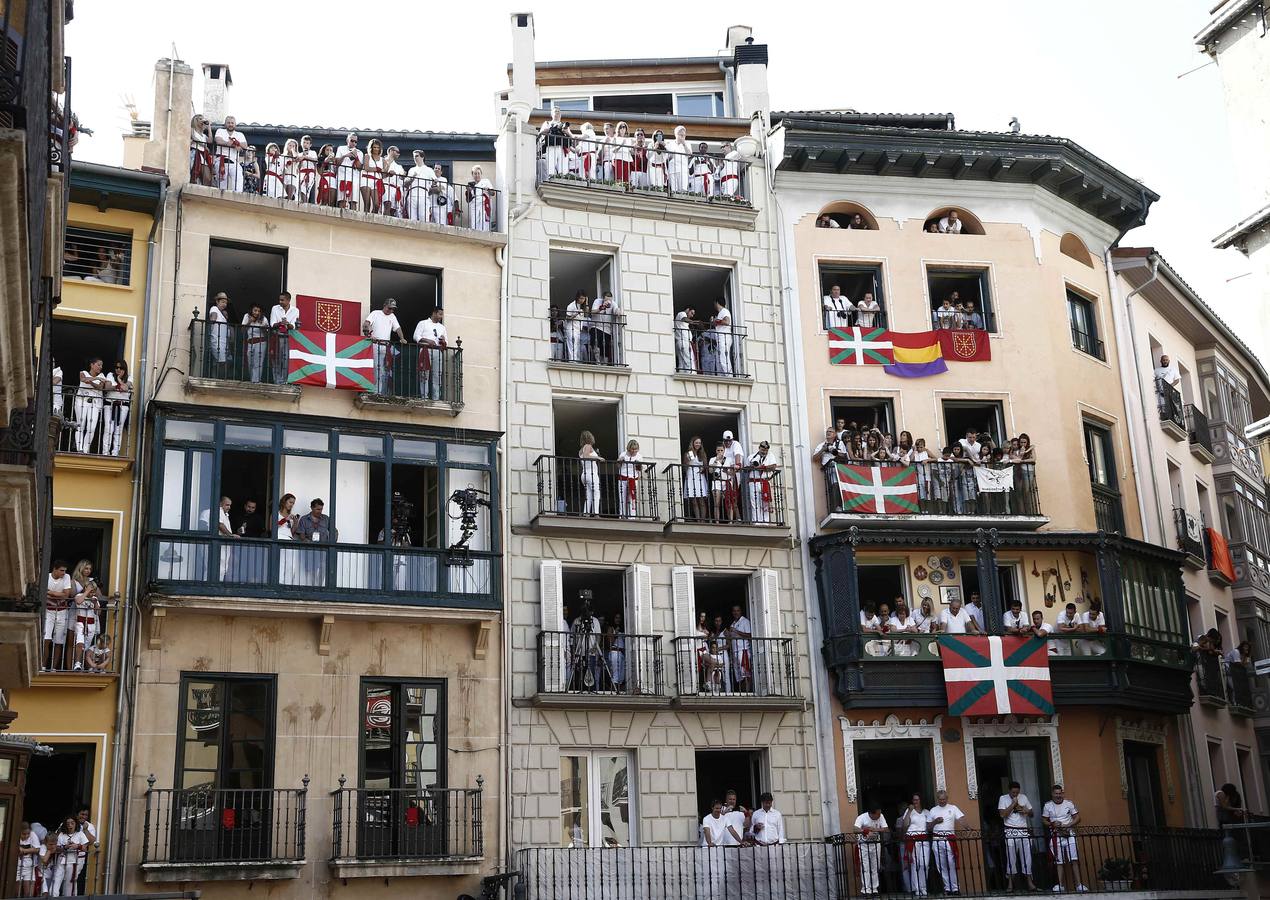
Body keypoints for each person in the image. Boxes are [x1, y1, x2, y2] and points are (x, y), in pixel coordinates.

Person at [1042, 784, 1086, 894]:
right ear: (1052, 794)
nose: (1058, 796)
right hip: (1056, 836)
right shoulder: (1048, 806)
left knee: (1074, 860)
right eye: (1056, 794)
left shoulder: (1069, 803)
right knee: (1059, 862)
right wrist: (1052, 823)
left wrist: (1068, 825)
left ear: (1062, 793)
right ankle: (1060, 886)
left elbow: (1078, 818)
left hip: (1069, 834)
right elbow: (1044, 820)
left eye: (1060, 793)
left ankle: (1079, 885)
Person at [999, 781, 1037, 892]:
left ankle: (1030, 883)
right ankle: (1010, 884)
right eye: (1013, 792)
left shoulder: (1024, 797)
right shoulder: (1003, 798)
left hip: (1023, 830)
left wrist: (1025, 810)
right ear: (1009, 790)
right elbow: (1002, 815)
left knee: (1027, 857)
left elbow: (1032, 814)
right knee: (1011, 858)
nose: (1015, 794)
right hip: (1010, 831)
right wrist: (1013, 805)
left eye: (1017, 792)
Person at [363, 298, 405, 395]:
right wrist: (369, 335)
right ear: (384, 306)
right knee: (374, 368)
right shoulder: (375, 313)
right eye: (389, 308)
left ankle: (377, 392)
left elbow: (398, 328)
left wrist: (402, 338)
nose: (391, 311)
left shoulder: (392, 316)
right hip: (374, 344)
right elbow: (366, 324)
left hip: (385, 347)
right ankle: (372, 391)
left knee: (382, 370)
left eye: (393, 309)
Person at [930, 790, 965, 895]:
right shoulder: (933, 810)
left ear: (947, 798)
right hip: (937, 839)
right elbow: (928, 827)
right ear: (937, 799)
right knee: (941, 865)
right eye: (940, 799)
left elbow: (961, 819)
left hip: (949, 839)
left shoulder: (953, 808)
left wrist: (968, 828)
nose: (942, 801)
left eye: (944, 799)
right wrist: (935, 822)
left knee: (951, 863)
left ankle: (955, 888)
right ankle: (947, 888)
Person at [898, 793, 933, 896]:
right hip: (912, 839)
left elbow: (929, 827)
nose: (915, 802)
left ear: (921, 801)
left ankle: (923, 887)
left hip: (924, 840)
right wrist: (909, 811)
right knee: (915, 864)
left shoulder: (927, 812)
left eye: (917, 800)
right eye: (914, 800)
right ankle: (916, 888)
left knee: (924, 864)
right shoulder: (909, 812)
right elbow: (904, 826)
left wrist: (935, 822)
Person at [295, 498, 336, 587]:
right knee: (311, 570)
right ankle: (316, 586)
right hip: (309, 549)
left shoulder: (326, 518)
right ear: (312, 508)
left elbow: (334, 531)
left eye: (321, 509)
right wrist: (306, 541)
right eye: (317, 509)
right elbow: (301, 534)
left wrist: (333, 542)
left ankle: (319, 586)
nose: (320, 511)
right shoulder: (304, 519)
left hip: (323, 549)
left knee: (323, 568)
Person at [44, 560, 74, 671]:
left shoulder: (66, 577)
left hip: (62, 611)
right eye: (61, 570)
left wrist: (50, 593)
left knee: (59, 641)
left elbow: (66, 595)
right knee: (46, 639)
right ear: (54, 569)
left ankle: (54, 668)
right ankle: (43, 666)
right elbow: (42, 593)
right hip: (48, 611)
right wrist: (58, 595)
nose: (63, 573)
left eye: (65, 570)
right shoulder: (46, 577)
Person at [413, 307, 449, 400]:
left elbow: (446, 343)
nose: (441, 317)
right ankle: (424, 396)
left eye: (442, 314)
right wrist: (428, 340)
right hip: (425, 350)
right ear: (434, 313)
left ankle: (436, 398)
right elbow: (416, 336)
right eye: (440, 314)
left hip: (437, 351)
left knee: (437, 375)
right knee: (424, 374)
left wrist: (443, 341)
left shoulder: (442, 327)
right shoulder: (423, 323)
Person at [73, 357, 108, 453]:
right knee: (80, 424)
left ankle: (85, 449)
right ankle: (79, 448)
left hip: (95, 403)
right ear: (92, 365)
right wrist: (96, 378)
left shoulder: (102, 375)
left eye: (101, 365)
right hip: (81, 401)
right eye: (98, 364)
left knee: (91, 427)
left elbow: (100, 387)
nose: (100, 367)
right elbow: (83, 379)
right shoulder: (83, 372)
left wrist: (92, 381)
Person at [854, 804, 888, 896]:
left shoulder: (881, 816)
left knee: (875, 866)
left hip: (875, 844)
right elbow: (855, 829)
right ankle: (866, 889)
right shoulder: (862, 817)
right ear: (871, 814)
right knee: (865, 867)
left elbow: (886, 829)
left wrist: (875, 829)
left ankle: (874, 888)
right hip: (864, 845)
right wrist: (865, 831)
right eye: (878, 814)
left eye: (880, 813)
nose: (879, 815)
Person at [101, 360, 132, 456]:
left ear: (124, 369)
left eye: (121, 368)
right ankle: (105, 452)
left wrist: (118, 380)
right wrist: (119, 386)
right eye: (116, 367)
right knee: (108, 428)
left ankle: (115, 453)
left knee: (119, 429)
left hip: (123, 406)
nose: (118, 369)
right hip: (109, 404)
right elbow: (107, 387)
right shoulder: (110, 375)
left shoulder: (130, 377)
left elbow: (125, 388)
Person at [745, 441, 780, 524]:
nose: (764, 452)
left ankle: (765, 522)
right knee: (754, 502)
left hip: (764, 481)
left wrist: (762, 467)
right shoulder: (751, 457)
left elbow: (773, 466)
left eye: (766, 450)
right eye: (763, 450)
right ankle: (756, 522)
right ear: (759, 448)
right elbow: (745, 470)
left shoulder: (770, 456)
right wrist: (752, 466)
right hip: (753, 481)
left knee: (765, 502)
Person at [269, 291, 299, 384]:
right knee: (276, 359)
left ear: (288, 300)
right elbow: (272, 324)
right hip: (277, 336)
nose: (280, 302)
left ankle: (285, 381)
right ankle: (277, 381)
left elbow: (294, 326)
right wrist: (280, 323)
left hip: (289, 337)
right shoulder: (275, 308)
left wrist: (287, 324)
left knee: (286, 360)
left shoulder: (295, 310)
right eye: (280, 300)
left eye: (282, 300)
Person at [213, 116, 248, 191]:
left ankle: (237, 197)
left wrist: (236, 143)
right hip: (221, 160)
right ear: (225, 124)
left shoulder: (240, 134)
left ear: (235, 124)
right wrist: (232, 145)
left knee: (238, 180)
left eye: (232, 123)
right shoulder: (220, 131)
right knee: (222, 185)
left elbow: (245, 146)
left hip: (234, 161)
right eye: (228, 123)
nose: (230, 124)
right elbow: (218, 141)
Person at [56, 816, 88, 896]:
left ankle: (69, 897)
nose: (70, 825)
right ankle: (54, 896)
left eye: (72, 823)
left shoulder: (80, 834)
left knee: (70, 881)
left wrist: (77, 846)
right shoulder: (61, 834)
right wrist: (65, 847)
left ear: (75, 824)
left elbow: (85, 847)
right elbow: (57, 848)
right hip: (62, 859)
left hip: (74, 860)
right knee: (56, 879)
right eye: (68, 823)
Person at [726, 604, 753, 693]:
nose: (736, 612)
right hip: (735, 652)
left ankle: (747, 694)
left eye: (737, 610)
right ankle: (743, 693)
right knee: (739, 676)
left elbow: (749, 635)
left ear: (740, 611)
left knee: (746, 674)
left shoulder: (745, 621)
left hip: (743, 651)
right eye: (734, 611)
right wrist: (728, 635)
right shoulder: (733, 624)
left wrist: (736, 631)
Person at [616, 439, 646, 518]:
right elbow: (618, 466)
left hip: (633, 479)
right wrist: (620, 461)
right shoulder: (623, 454)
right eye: (632, 449)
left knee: (632, 498)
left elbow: (639, 469)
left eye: (636, 449)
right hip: (623, 478)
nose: (634, 451)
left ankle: (632, 517)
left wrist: (638, 464)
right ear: (629, 448)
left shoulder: (639, 456)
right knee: (622, 497)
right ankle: (622, 515)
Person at [241, 303, 269, 384]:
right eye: (255, 310)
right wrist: (250, 321)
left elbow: (267, 334)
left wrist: (263, 328)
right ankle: (252, 380)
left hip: (261, 342)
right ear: (251, 310)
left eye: (259, 311)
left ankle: (256, 381)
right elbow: (242, 330)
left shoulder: (264, 319)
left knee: (258, 362)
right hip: (250, 342)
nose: (257, 313)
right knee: (250, 362)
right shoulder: (247, 316)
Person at [539, 107, 571, 178]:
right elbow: (540, 134)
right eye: (555, 111)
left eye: (559, 112)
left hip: (562, 146)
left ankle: (563, 178)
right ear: (551, 114)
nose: (557, 113)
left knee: (563, 165)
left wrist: (567, 132)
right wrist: (547, 130)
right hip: (550, 146)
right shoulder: (547, 123)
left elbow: (571, 136)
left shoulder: (564, 125)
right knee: (550, 163)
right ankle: (550, 178)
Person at [684, 437, 710, 521]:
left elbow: (705, 465)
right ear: (692, 443)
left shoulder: (702, 453)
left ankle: (702, 519)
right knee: (694, 500)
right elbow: (685, 467)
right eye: (696, 442)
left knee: (701, 499)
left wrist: (703, 469)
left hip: (699, 476)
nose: (698, 444)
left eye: (699, 443)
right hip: (691, 475)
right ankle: (698, 519)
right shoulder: (689, 453)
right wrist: (687, 460)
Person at [335, 132, 363, 210]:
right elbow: (337, 163)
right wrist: (345, 155)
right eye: (352, 140)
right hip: (342, 177)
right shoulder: (341, 148)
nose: (354, 143)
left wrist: (356, 157)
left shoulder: (360, 153)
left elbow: (359, 168)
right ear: (347, 140)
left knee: (353, 201)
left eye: (355, 142)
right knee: (342, 200)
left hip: (354, 179)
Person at [590, 291, 619, 365]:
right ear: (603, 298)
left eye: (609, 300)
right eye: (606, 300)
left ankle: (604, 364)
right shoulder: (597, 301)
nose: (608, 302)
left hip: (607, 329)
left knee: (605, 349)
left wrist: (618, 312)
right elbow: (592, 312)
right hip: (596, 326)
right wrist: (601, 308)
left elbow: (616, 310)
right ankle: (597, 361)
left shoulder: (613, 303)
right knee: (595, 344)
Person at [578, 431, 603, 516]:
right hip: (591, 473)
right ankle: (596, 513)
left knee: (588, 494)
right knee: (596, 492)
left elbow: (584, 456)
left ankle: (586, 512)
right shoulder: (588, 446)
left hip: (584, 474)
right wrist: (598, 457)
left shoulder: (581, 450)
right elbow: (586, 456)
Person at [709, 443, 735, 523]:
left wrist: (727, 471)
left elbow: (733, 473)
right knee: (717, 503)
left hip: (726, 482)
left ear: (724, 451)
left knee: (729, 502)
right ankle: (717, 521)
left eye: (721, 450)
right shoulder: (712, 459)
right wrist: (716, 461)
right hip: (716, 482)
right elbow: (710, 471)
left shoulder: (729, 459)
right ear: (716, 451)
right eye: (718, 450)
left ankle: (730, 521)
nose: (720, 452)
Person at [406, 150, 435, 221]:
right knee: (412, 219)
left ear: (422, 157)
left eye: (416, 156)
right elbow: (406, 183)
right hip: (412, 194)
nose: (415, 158)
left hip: (423, 194)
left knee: (424, 218)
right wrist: (412, 177)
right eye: (414, 156)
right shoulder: (411, 170)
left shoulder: (429, 170)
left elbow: (435, 182)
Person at [708, 297, 734, 376]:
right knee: (719, 359)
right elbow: (718, 324)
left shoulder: (724, 311)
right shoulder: (720, 313)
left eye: (714, 303)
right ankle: (722, 376)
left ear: (716, 302)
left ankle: (729, 376)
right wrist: (713, 322)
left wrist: (715, 321)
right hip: (721, 339)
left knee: (723, 358)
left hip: (724, 338)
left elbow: (727, 322)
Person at [564, 291, 589, 362]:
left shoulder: (583, 306)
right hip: (571, 327)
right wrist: (576, 314)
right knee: (572, 342)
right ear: (577, 297)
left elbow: (587, 314)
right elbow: (567, 318)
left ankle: (576, 360)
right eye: (581, 298)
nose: (582, 300)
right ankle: (572, 360)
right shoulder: (571, 306)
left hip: (578, 329)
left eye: (583, 299)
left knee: (577, 344)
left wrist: (586, 303)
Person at [381, 146, 405, 217]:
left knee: (393, 210)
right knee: (387, 205)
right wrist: (388, 174)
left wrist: (402, 176)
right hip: (385, 186)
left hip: (395, 189)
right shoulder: (382, 161)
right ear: (391, 151)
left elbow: (401, 180)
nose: (398, 154)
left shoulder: (399, 166)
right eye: (397, 152)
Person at [16, 822, 39, 896]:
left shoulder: (32, 834)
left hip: (29, 866)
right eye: (23, 834)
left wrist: (24, 850)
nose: (26, 836)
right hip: (16, 866)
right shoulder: (15, 834)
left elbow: (37, 849)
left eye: (28, 834)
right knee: (16, 892)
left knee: (28, 893)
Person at [294, 134, 318, 202]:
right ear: (301, 143)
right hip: (301, 173)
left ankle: (304, 204)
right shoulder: (299, 154)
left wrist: (305, 157)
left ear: (310, 145)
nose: (305, 144)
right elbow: (298, 168)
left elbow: (315, 160)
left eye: (307, 143)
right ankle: (303, 203)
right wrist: (301, 159)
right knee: (300, 190)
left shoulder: (313, 152)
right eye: (304, 142)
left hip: (310, 173)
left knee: (304, 188)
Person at [668, 126, 691, 193]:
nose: (682, 136)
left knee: (683, 190)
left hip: (683, 170)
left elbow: (689, 154)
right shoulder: (670, 144)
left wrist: (684, 144)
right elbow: (667, 157)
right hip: (673, 170)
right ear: (676, 135)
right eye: (680, 134)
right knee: (674, 190)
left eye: (683, 135)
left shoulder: (687, 144)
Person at [674, 305, 697, 371]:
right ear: (687, 310)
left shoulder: (683, 321)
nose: (692, 316)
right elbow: (684, 319)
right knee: (688, 361)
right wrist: (694, 322)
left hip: (681, 342)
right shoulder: (682, 313)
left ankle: (682, 374)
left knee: (682, 362)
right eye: (691, 313)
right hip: (683, 341)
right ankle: (689, 376)